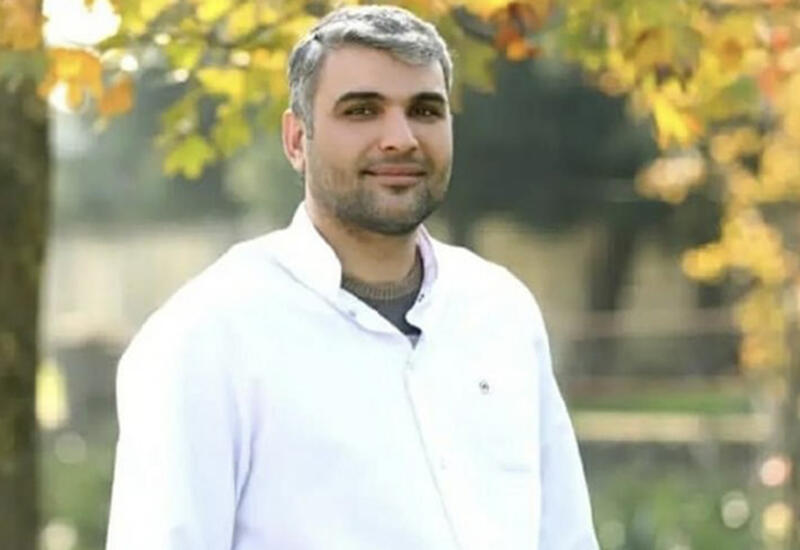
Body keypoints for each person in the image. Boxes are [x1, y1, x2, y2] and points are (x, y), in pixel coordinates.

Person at [106, 5, 598, 550]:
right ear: (297, 140)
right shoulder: (206, 337)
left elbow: (566, 536)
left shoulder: (501, 309)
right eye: (362, 110)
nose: (401, 138)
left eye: (425, 110)